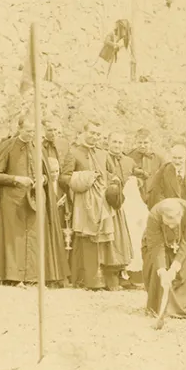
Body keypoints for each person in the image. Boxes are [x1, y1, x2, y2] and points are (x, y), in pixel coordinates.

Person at [0, 113, 69, 286]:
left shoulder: (38, 147)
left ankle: (32, 277)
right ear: (19, 128)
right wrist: (17, 180)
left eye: (34, 131)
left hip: (34, 200)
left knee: (34, 238)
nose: (31, 134)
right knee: (14, 240)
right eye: (28, 130)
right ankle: (13, 277)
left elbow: (46, 174)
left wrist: (42, 179)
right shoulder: (7, 146)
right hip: (12, 201)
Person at [62, 120, 115, 290]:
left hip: (102, 202)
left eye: (98, 134)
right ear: (84, 132)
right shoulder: (73, 152)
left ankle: (103, 280)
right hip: (83, 202)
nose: (95, 137)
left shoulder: (103, 153)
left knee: (102, 239)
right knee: (86, 239)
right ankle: (86, 280)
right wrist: (85, 178)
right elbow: (64, 177)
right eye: (92, 133)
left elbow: (111, 173)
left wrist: (113, 180)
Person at [104, 132, 138, 290]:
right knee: (113, 240)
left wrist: (137, 182)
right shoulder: (102, 158)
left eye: (120, 143)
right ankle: (111, 278)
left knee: (127, 239)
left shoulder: (129, 161)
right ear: (108, 142)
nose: (117, 145)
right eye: (115, 142)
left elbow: (140, 175)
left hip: (128, 205)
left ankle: (125, 275)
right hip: (109, 203)